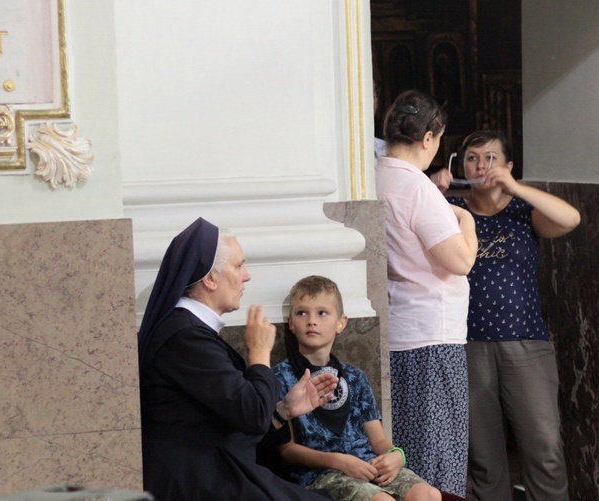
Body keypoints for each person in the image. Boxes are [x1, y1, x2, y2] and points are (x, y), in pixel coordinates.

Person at [138, 218, 339, 500]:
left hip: (215, 469)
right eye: (238, 265)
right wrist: (258, 352)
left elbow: (234, 417)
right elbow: (252, 415)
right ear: (210, 278)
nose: (247, 276)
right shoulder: (185, 338)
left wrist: (283, 411)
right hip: (197, 480)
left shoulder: (189, 332)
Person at [441, 130, 579, 500]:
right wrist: (435, 191)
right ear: (462, 165)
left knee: (544, 446)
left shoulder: (523, 212)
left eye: (491, 158)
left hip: (527, 344)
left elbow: (570, 219)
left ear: (508, 166)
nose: (481, 165)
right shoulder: (451, 213)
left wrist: (516, 188)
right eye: (472, 158)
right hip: (467, 344)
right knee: (484, 455)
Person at [375, 89, 478, 496]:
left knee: (408, 451)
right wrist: (466, 219)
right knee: (437, 458)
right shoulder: (417, 187)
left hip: (398, 328)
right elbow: (460, 261)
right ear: (429, 138)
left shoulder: (375, 174)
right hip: (431, 335)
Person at [273, 275, 442, 501]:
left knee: (428, 495)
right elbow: (287, 451)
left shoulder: (355, 377)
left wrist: (395, 456)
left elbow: (378, 440)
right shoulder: (280, 376)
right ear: (291, 323)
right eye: (302, 313)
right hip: (320, 475)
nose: (311, 321)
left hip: (367, 465)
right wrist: (339, 461)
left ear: (341, 323)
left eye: (322, 313)